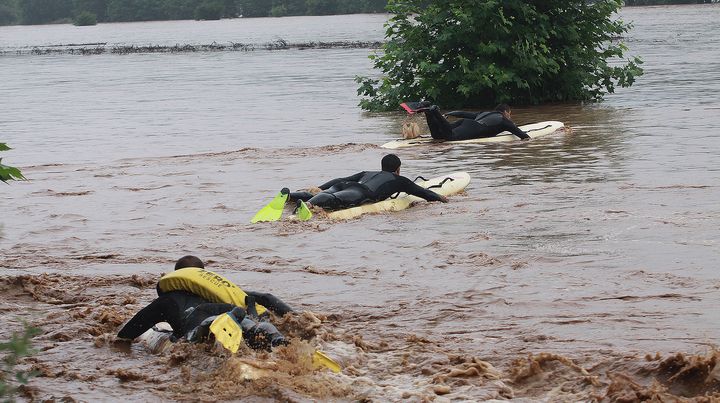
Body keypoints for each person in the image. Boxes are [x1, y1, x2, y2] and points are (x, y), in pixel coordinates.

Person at [117, 255, 291, 350]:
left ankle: (223, 322)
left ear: (179, 276)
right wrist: (295, 316)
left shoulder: (165, 301)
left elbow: (128, 333)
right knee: (252, 329)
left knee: (199, 330)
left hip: (201, 318)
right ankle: (278, 340)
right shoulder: (221, 292)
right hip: (229, 309)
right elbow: (267, 297)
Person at [289, 154, 448, 211]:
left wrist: (320, 187)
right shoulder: (400, 180)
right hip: (360, 193)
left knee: (327, 194)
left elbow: (341, 180)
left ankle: (291, 196)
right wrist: (443, 199)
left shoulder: (367, 172)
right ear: (398, 169)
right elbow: (424, 193)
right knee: (334, 200)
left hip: (344, 186)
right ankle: (308, 205)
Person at [411, 102, 530, 141]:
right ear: (505, 112)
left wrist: (448, 113)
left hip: (465, 122)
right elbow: (522, 135)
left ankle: (428, 112)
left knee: (437, 135)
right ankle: (434, 111)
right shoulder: (505, 121)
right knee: (450, 137)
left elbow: (462, 113)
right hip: (473, 127)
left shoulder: (484, 113)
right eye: (509, 114)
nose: (510, 117)